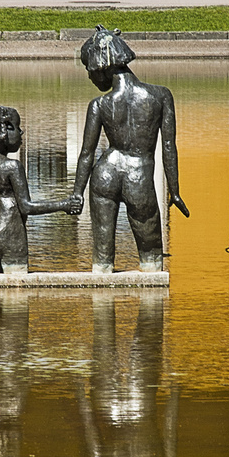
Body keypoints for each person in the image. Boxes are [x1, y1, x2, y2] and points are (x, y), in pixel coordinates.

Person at [72, 26, 189, 273]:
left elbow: (87, 153)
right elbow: (168, 145)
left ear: (100, 67)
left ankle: (101, 307)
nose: (90, 78)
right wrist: (174, 190)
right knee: (151, 261)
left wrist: (77, 193)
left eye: (89, 71)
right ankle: (152, 310)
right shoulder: (160, 96)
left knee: (102, 261)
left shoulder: (100, 104)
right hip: (139, 176)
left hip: (104, 175)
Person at [0, 105, 79, 273]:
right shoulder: (12, 166)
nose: (21, 133)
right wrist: (64, 205)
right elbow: (26, 206)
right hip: (8, 233)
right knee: (16, 295)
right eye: (17, 127)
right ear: (2, 131)